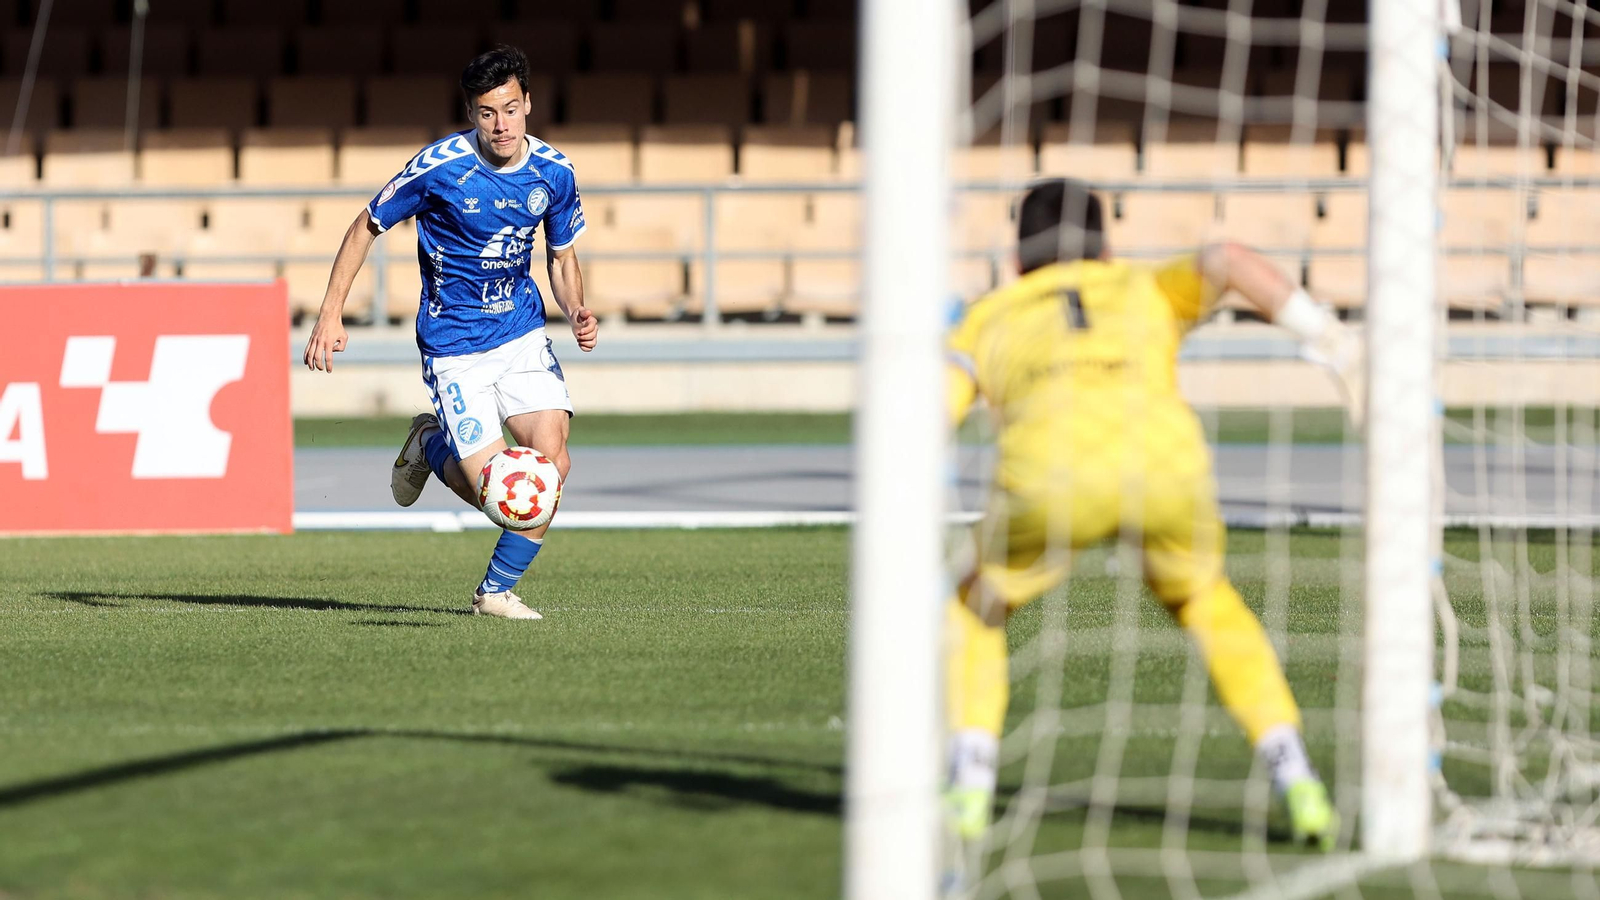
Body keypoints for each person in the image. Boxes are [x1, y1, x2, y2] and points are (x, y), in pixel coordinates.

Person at [943, 178, 1361, 849]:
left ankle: (968, 783)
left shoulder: (987, 314)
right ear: (1106, 249)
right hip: (1163, 464)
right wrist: (1332, 342)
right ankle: (1297, 776)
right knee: (1205, 601)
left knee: (974, 605)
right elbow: (1226, 257)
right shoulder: (1140, 288)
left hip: (1049, 475)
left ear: (1016, 259)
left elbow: (934, 410)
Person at [302, 46, 598, 620]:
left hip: (520, 333)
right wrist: (330, 311)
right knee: (491, 496)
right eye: (488, 113)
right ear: (471, 113)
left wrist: (577, 308)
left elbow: (561, 258)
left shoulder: (555, 172)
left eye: (511, 109)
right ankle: (428, 441)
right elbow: (366, 225)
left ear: (529, 103)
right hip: (454, 346)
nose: (502, 124)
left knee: (550, 466)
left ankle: (495, 592)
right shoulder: (439, 168)